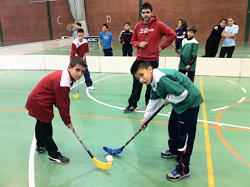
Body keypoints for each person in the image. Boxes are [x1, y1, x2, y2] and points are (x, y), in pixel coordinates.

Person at [130, 59, 203, 181]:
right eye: (138, 78)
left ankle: (183, 169)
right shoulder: (152, 81)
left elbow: (183, 93)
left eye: (141, 75)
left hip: (189, 103)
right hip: (179, 103)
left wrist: (169, 98)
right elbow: (153, 101)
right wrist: (145, 120)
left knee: (183, 137)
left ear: (150, 69)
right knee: (173, 127)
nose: (141, 80)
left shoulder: (161, 79)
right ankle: (174, 151)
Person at [25, 57, 87, 164]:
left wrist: (66, 118)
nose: (80, 74)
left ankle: (40, 145)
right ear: (69, 68)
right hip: (40, 102)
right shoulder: (64, 82)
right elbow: (63, 105)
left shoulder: (65, 76)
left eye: (82, 72)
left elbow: (58, 98)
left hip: (37, 100)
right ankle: (53, 154)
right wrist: (67, 121)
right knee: (46, 128)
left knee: (40, 123)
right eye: (77, 70)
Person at [123, 2, 176, 113]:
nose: (146, 14)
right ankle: (132, 105)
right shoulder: (138, 26)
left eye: (148, 12)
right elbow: (133, 41)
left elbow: (172, 35)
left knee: (151, 85)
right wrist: (139, 44)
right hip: (140, 60)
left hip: (152, 60)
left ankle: (149, 105)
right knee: (136, 84)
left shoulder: (159, 25)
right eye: (143, 12)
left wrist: (161, 47)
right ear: (141, 13)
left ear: (152, 13)